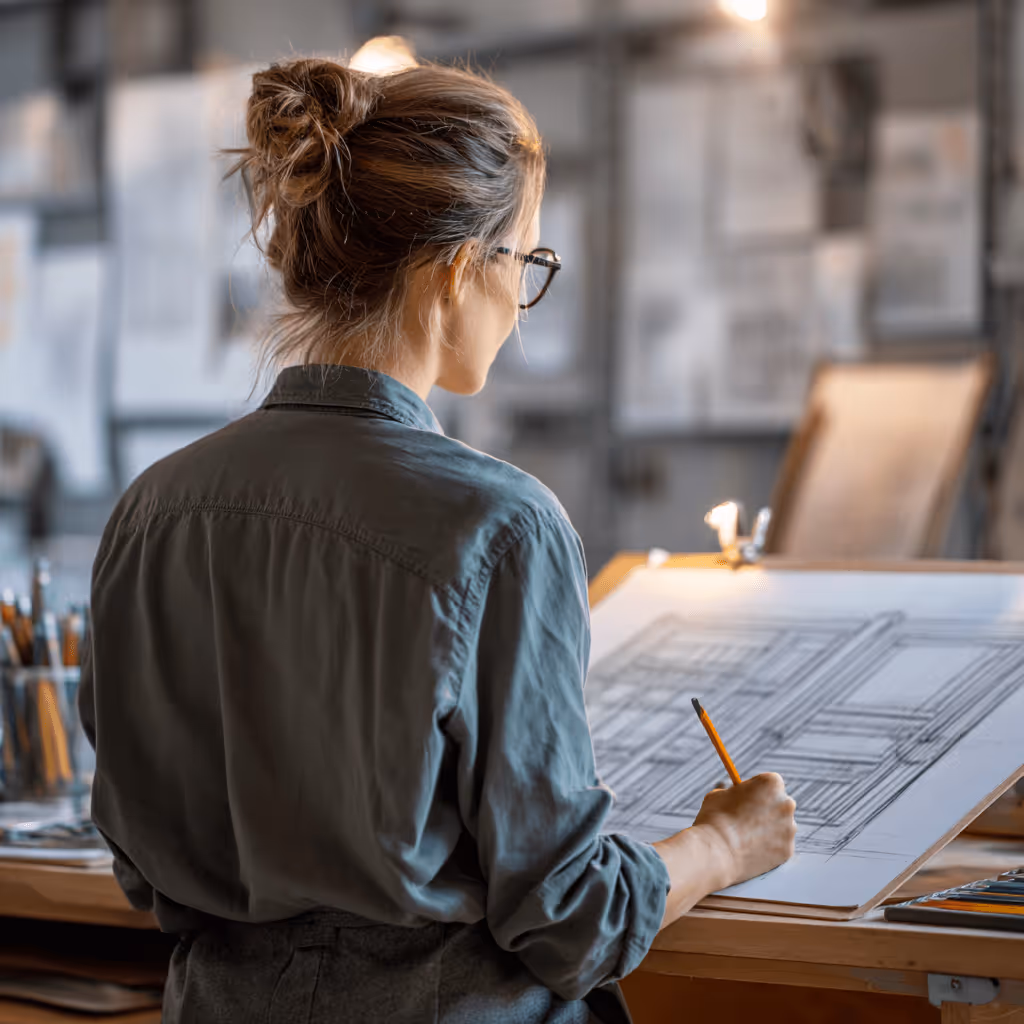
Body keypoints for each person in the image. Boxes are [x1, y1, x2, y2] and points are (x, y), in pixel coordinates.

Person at [80, 56, 797, 1023]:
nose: (521, 301)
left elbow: (136, 861)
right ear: (460, 269)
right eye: (527, 262)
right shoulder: (500, 524)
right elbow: (570, 916)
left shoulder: (153, 511)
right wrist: (725, 846)